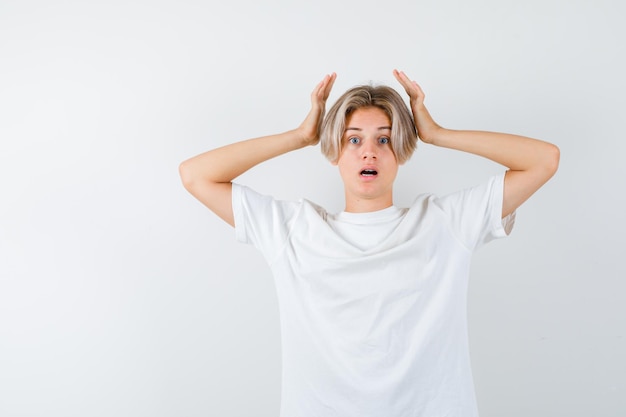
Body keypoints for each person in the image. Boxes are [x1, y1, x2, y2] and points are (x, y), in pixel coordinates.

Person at [179, 69, 560, 417]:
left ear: (402, 150)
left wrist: (436, 134)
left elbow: (544, 159)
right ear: (334, 152)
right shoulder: (293, 230)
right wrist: (300, 136)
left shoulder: (446, 223)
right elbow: (195, 175)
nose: (369, 151)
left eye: (384, 139)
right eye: (353, 140)